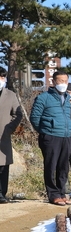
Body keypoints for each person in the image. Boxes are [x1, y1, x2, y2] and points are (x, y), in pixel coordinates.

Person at [30, 70, 71, 206]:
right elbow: (35, 117)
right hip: (50, 136)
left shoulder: (67, 98)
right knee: (51, 166)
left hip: (66, 136)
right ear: (54, 82)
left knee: (63, 166)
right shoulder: (43, 97)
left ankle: (62, 193)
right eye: (60, 81)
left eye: (65, 81)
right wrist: (45, 131)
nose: (63, 84)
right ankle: (53, 195)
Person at [0, 67, 23, 203]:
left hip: (3, 134)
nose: (2, 80)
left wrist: (10, 128)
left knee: (3, 165)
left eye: (3, 78)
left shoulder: (11, 95)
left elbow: (18, 114)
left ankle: (2, 193)